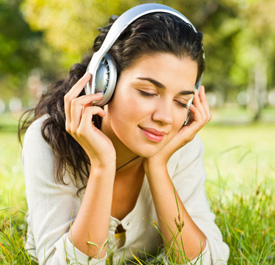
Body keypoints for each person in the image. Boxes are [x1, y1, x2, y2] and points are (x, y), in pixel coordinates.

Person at [18, 4, 229, 265]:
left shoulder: (180, 144)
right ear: (104, 82)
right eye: (148, 92)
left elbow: (207, 261)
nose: (165, 117)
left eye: (181, 101)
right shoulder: (48, 139)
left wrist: (158, 165)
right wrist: (102, 166)